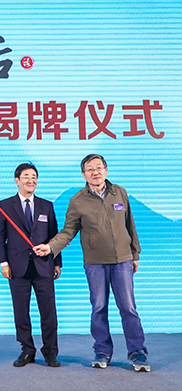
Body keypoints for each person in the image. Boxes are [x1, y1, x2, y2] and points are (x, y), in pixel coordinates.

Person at [34, 154, 149, 372]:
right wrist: (50, 247)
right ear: (83, 175)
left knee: (128, 308)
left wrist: (135, 254)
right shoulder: (77, 200)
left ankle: (138, 352)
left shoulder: (120, 192)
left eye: (99, 167)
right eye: (90, 169)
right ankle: (102, 351)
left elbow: (129, 225)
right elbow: (68, 231)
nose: (95, 172)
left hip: (123, 260)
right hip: (95, 263)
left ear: (106, 170)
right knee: (99, 307)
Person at [0, 163, 62, 368]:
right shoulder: (5, 205)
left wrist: (57, 262)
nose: (31, 180)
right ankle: (27, 350)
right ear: (17, 180)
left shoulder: (46, 205)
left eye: (34, 177)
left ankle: (50, 351)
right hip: (17, 267)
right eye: (26, 176)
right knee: (21, 312)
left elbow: (54, 235)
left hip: (44, 266)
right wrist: (3, 263)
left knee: (48, 312)